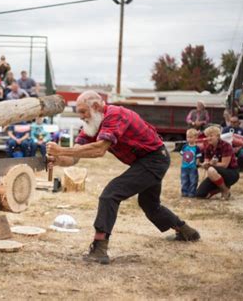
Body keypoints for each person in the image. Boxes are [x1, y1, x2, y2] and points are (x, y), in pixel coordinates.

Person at [46, 91, 200, 265]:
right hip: (144, 161)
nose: (81, 117)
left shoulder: (116, 115)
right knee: (150, 206)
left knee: (110, 195)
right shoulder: (92, 125)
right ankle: (187, 232)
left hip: (155, 159)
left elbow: (99, 150)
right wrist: (57, 159)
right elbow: (74, 157)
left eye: (83, 112)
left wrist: (61, 150)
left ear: (96, 106)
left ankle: (99, 249)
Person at [195, 126, 239, 200]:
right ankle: (221, 187)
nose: (208, 138)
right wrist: (203, 164)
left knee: (211, 170)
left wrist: (211, 164)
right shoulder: (208, 147)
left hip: (231, 173)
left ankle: (225, 190)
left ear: (218, 136)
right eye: (207, 136)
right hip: (214, 173)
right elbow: (207, 163)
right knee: (200, 195)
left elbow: (225, 165)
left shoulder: (226, 145)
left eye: (211, 136)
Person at [180, 129, 201, 198]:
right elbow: (182, 155)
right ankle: (184, 192)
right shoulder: (184, 147)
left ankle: (192, 193)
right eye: (187, 137)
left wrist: (197, 164)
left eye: (191, 137)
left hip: (193, 167)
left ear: (195, 138)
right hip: (184, 167)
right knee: (184, 180)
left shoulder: (197, 148)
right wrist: (182, 164)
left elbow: (198, 157)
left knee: (193, 180)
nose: (189, 139)